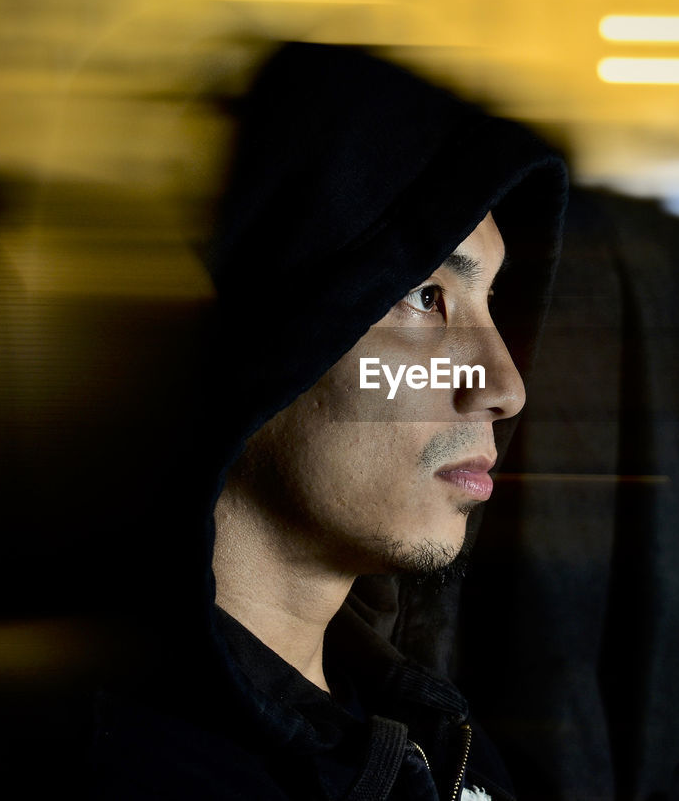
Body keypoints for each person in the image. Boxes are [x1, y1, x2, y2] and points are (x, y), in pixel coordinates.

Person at [89, 41, 567, 801]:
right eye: (424, 295)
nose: (503, 386)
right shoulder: (132, 772)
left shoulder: (434, 740)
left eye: (491, 304)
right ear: (262, 340)